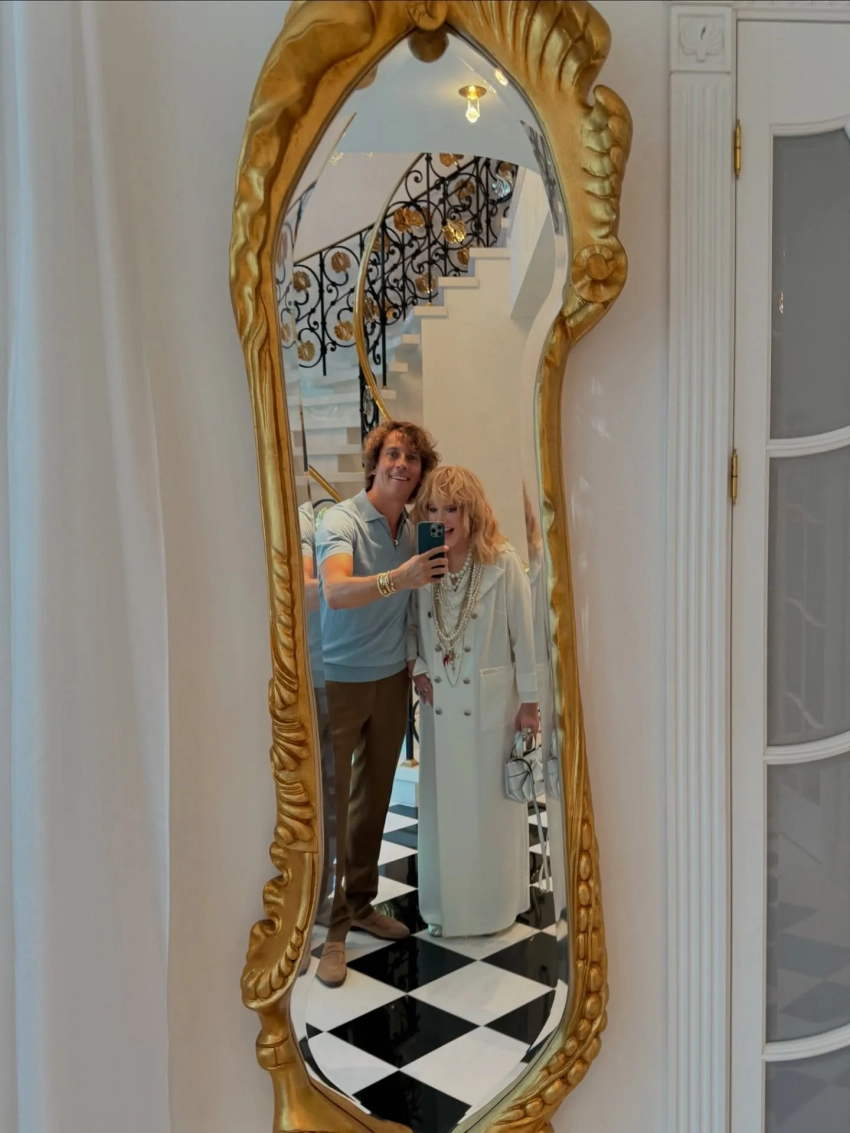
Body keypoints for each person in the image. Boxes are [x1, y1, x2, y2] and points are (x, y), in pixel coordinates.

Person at [314, 420, 443, 987]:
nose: (402, 465)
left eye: (412, 458)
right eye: (393, 454)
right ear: (374, 463)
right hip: (338, 681)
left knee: (374, 801)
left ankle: (360, 903)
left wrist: (418, 660)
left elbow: (422, 600)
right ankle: (330, 931)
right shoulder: (340, 521)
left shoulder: (415, 529)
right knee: (333, 808)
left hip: (391, 679)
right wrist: (399, 577)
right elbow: (335, 592)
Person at [408, 467, 538, 938]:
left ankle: (493, 907)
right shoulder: (422, 567)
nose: (441, 518)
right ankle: (447, 905)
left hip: (491, 708)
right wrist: (417, 666)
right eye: (433, 509)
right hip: (440, 703)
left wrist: (530, 702)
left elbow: (525, 636)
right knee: (445, 807)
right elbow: (409, 624)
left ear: (472, 512)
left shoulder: (502, 563)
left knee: (489, 810)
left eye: (452, 508)